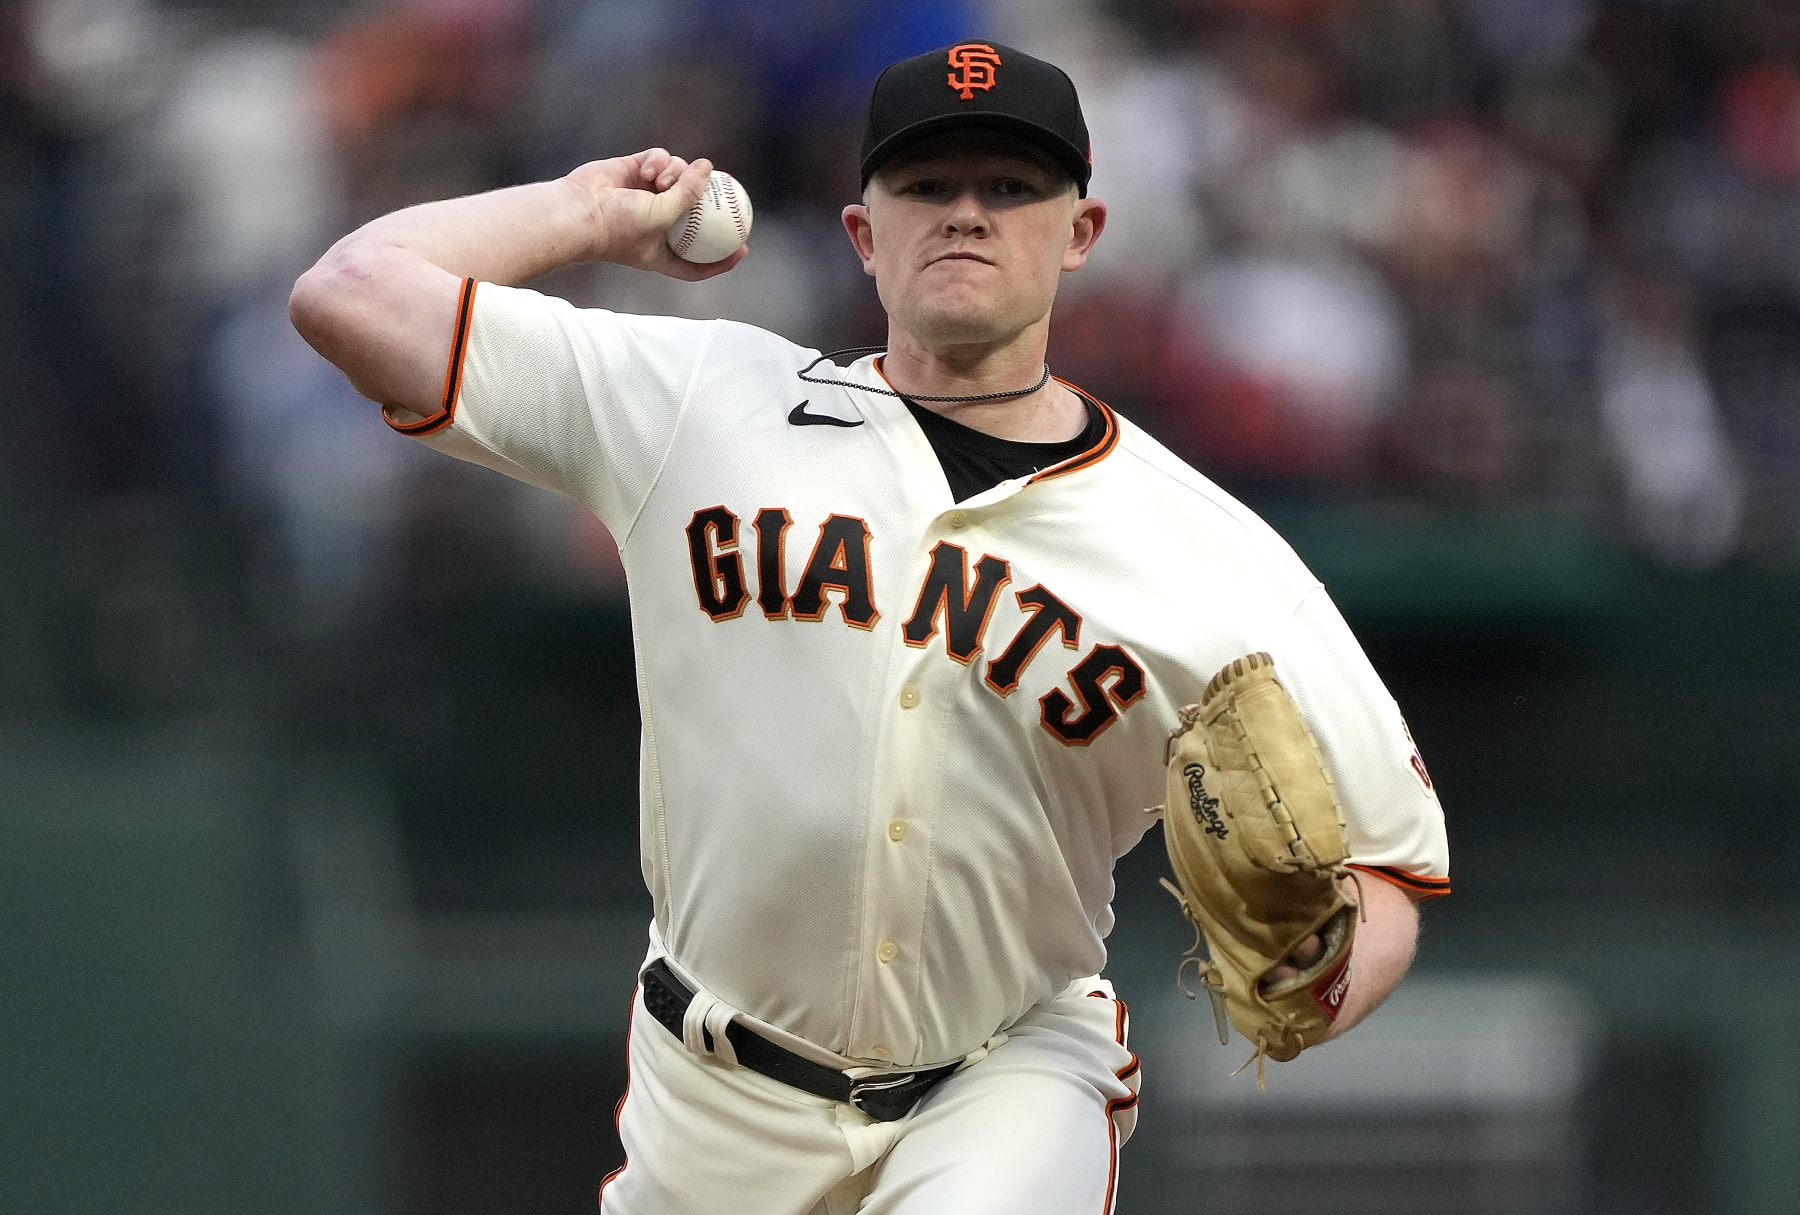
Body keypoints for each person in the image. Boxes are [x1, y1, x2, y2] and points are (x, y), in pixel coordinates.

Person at [290, 40, 1449, 1215]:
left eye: (1010, 187)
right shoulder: (699, 403)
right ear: (863, 233)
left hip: (1004, 1076)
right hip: (712, 1095)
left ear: (1082, 232)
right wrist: (584, 211)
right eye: (927, 185)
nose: (967, 215)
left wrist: (1327, 977)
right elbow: (350, 295)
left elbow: (1388, 861)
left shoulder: (1208, 550)